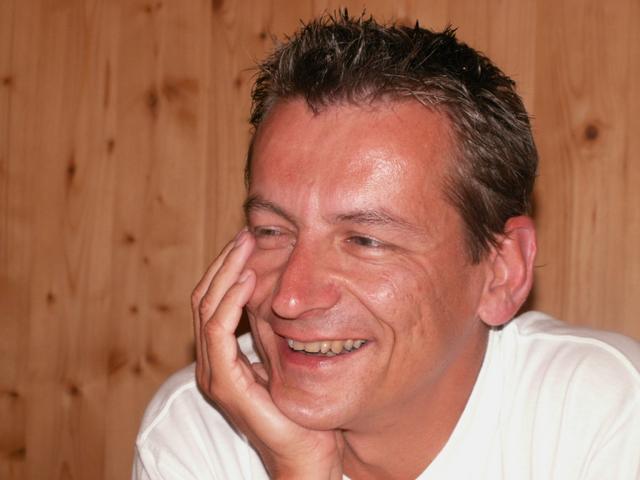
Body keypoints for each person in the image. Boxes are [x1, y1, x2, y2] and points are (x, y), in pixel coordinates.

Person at [132, 11, 640, 480]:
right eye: (272, 231)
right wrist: (299, 466)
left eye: (365, 240)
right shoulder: (197, 430)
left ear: (501, 272)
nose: (290, 298)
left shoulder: (603, 411)